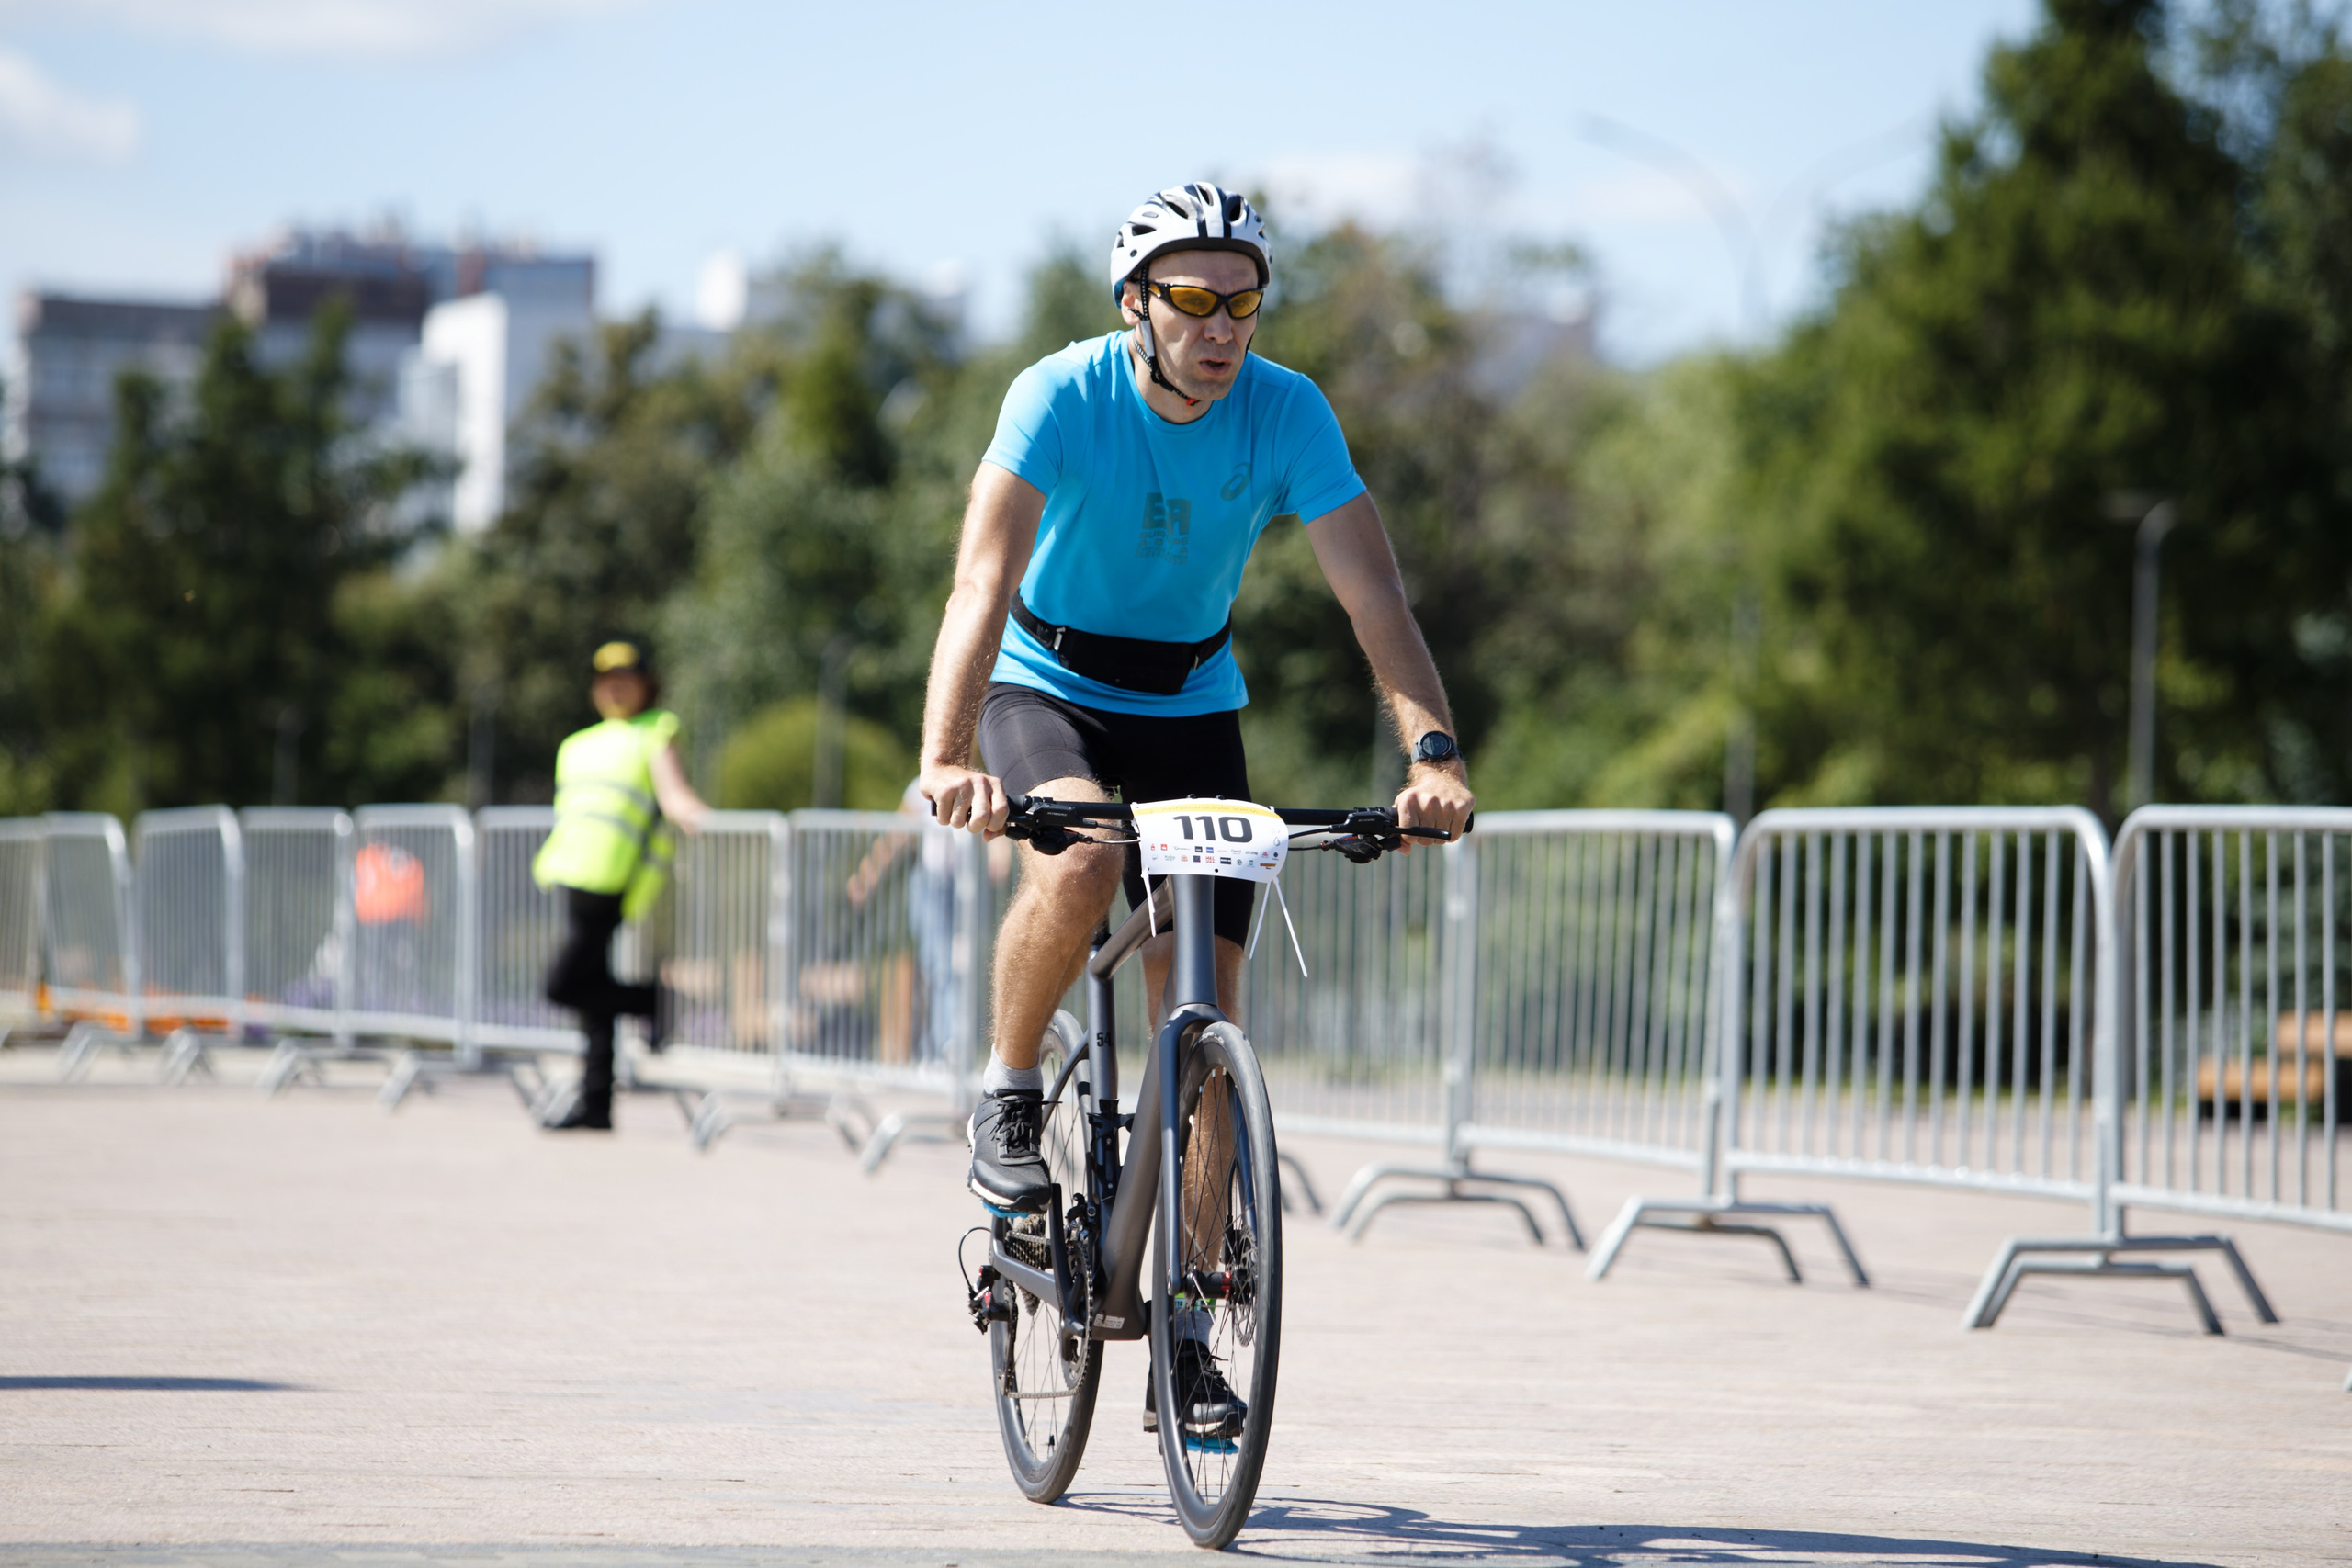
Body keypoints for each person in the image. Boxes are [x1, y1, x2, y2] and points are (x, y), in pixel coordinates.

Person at [914, 181, 1476, 1430]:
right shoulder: (1061, 393)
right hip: (1047, 681)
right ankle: (1009, 1087)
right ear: (1136, 303)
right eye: (1191, 300)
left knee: (1204, 1001)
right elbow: (978, 577)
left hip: (1191, 700)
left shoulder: (1289, 412)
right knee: (1066, 867)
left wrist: (1431, 752)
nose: (1221, 326)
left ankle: (1186, 1309)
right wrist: (947, 753)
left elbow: (1374, 594)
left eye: (1244, 303)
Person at [532, 637, 710, 1131]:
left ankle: (658, 1002)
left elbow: (674, 794)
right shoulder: (577, 744)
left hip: (610, 879)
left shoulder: (655, 729)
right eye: (606, 681)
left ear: (645, 685)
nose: (613, 690)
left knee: (563, 985)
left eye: (624, 681)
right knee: (590, 993)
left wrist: (699, 816)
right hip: (570, 872)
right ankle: (596, 1104)